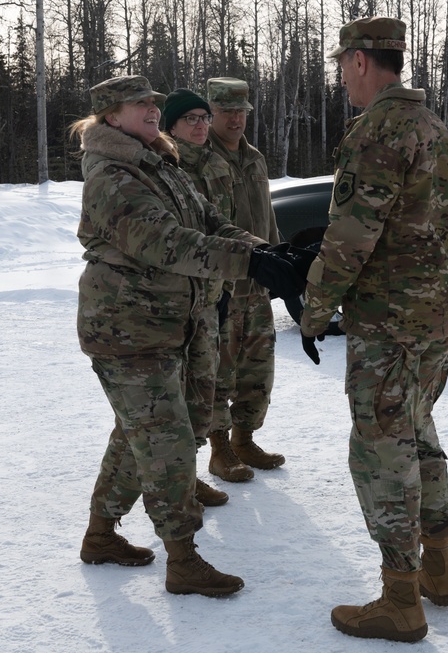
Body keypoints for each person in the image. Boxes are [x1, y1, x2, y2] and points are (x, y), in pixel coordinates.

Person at [71, 75, 303, 597]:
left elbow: (207, 221)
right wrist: (249, 260)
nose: (153, 111)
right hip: (128, 328)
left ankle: (101, 535)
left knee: (140, 435)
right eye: (140, 106)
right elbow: (165, 242)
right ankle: (183, 559)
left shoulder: (157, 162)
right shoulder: (112, 173)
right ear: (111, 116)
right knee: (166, 443)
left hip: (173, 321)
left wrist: (267, 253)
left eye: (154, 104)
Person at [299, 17, 448, 642]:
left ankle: (401, 597)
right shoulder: (431, 126)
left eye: (344, 63)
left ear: (363, 62)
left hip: (390, 324)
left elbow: (350, 238)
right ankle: (439, 571)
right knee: (417, 431)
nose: (342, 75)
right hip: (432, 322)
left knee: (380, 448)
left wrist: (314, 309)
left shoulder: (381, 130)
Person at [206, 77, 285, 483]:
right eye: (226, 112)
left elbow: (266, 216)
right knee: (220, 368)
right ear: (211, 113)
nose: (236, 120)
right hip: (222, 286)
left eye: (242, 112)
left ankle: (244, 437)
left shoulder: (254, 158)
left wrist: (278, 261)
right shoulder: (201, 160)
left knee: (258, 367)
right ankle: (218, 447)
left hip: (256, 283)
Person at [161, 88, 236, 507]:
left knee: (206, 388)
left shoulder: (216, 163)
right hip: (180, 297)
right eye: (190, 119)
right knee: (177, 396)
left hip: (213, 290)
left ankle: (192, 474)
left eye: (205, 118)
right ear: (171, 126)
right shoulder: (167, 169)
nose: (201, 125)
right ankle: (176, 484)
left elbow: (224, 223)